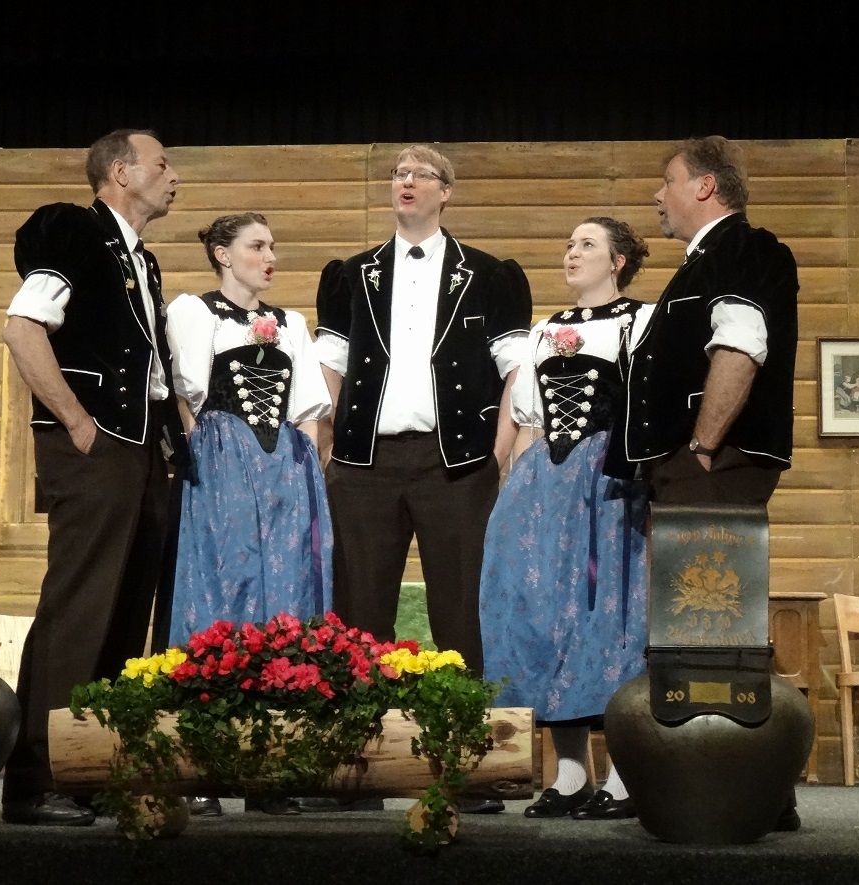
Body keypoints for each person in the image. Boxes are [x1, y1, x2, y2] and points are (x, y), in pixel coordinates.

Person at [314, 144, 532, 814]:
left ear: (446, 191)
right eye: (398, 174)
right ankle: (356, 771)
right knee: (358, 614)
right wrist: (326, 447)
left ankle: (469, 770)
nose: (406, 183)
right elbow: (330, 366)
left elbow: (516, 369)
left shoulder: (491, 275)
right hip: (364, 465)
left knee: (462, 612)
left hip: (455, 463)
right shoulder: (350, 274)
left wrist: (497, 454)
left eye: (420, 175)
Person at [614, 135, 800, 830]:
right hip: (698, 466)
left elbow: (741, 344)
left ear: (703, 187)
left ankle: (726, 794)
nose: (656, 196)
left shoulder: (742, 248)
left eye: (667, 182)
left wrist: (700, 446)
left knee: (709, 627)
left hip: (714, 465)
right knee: (715, 628)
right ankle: (756, 790)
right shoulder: (706, 259)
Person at [0, 128, 184, 826]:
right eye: (161, 164)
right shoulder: (75, 231)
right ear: (120, 172)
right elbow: (23, 328)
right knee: (79, 605)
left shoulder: (144, 260)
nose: (174, 177)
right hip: (96, 448)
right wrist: (77, 421)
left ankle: (88, 768)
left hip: (140, 452)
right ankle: (36, 776)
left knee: (124, 608)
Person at [160, 212, 333, 817]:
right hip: (221, 462)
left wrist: (304, 479)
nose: (270, 257)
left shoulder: (291, 323)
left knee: (284, 600)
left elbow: (307, 412)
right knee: (220, 595)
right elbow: (185, 399)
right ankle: (201, 768)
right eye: (257, 246)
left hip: (284, 465)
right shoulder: (195, 312)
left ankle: (272, 772)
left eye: (272, 246)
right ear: (222, 254)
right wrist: (201, 471)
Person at [480, 217, 653, 821]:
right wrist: (518, 498)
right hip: (545, 483)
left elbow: (647, 410)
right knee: (548, 617)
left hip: (609, 480)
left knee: (609, 619)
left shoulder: (641, 320)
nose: (572, 253)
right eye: (569, 244)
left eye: (587, 245)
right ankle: (572, 774)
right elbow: (530, 422)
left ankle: (626, 778)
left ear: (619, 261)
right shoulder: (545, 330)